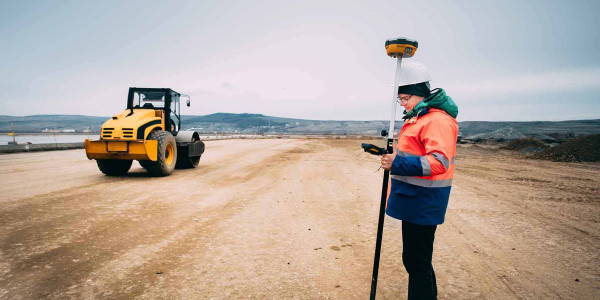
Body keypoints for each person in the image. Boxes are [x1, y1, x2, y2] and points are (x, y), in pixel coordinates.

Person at [380, 61, 459, 300]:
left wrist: (397, 163)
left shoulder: (437, 120)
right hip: (414, 198)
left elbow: (438, 162)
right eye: (399, 100)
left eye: (405, 98)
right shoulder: (419, 118)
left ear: (420, 93)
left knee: (418, 263)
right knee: (416, 261)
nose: (402, 104)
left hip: (424, 200)